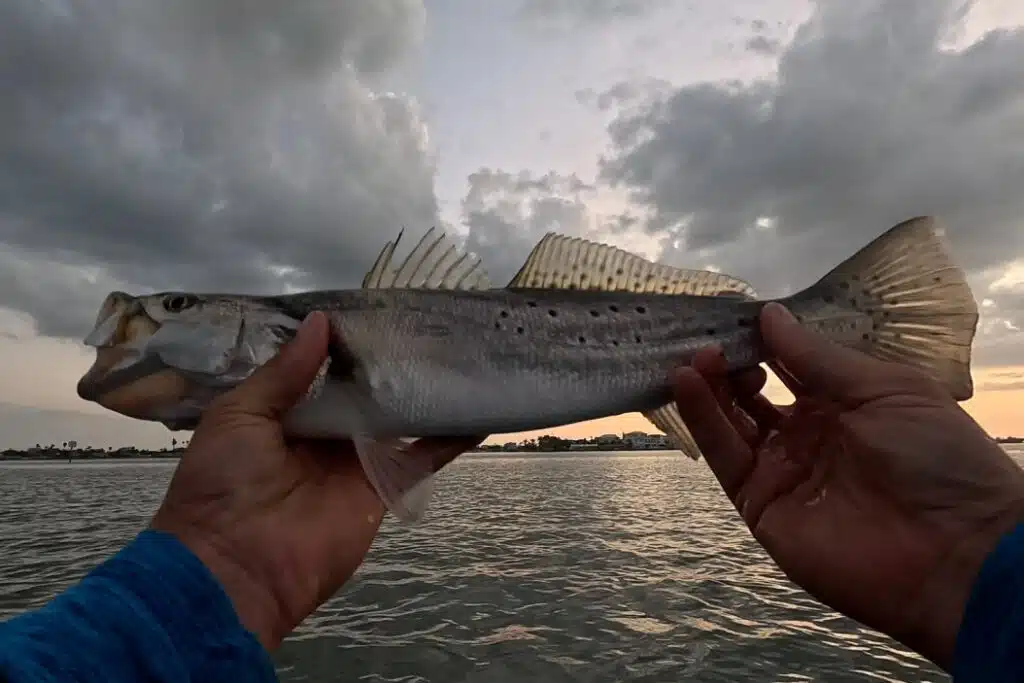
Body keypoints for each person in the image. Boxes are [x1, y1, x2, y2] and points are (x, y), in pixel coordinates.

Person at [0, 304, 1020, 681]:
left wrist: (982, 547)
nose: (153, 320)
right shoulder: (296, 397)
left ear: (276, 328)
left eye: (180, 305)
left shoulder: (328, 337)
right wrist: (981, 556)